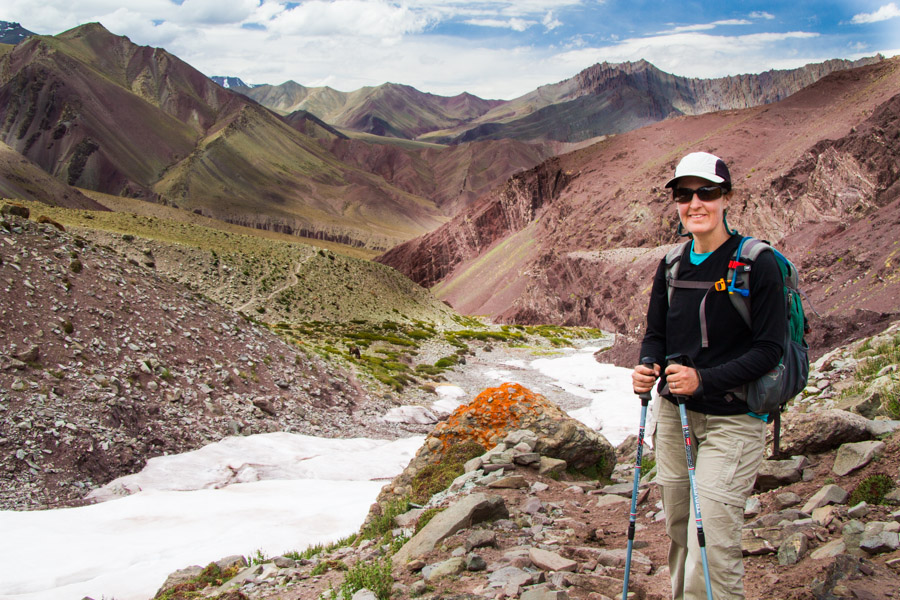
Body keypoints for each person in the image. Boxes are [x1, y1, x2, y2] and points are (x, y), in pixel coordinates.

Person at [632, 151, 785, 600]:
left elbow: (770, 350)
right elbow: (656, 334)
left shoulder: (757, 263)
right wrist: (647, 366)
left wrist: (704, 380)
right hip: (674, 413)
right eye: (684, 194)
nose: (695, 203)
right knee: (681, 528)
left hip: (734, 419)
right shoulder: (672, 264)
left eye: (707, 192)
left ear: (726, 198)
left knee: (712, 538)